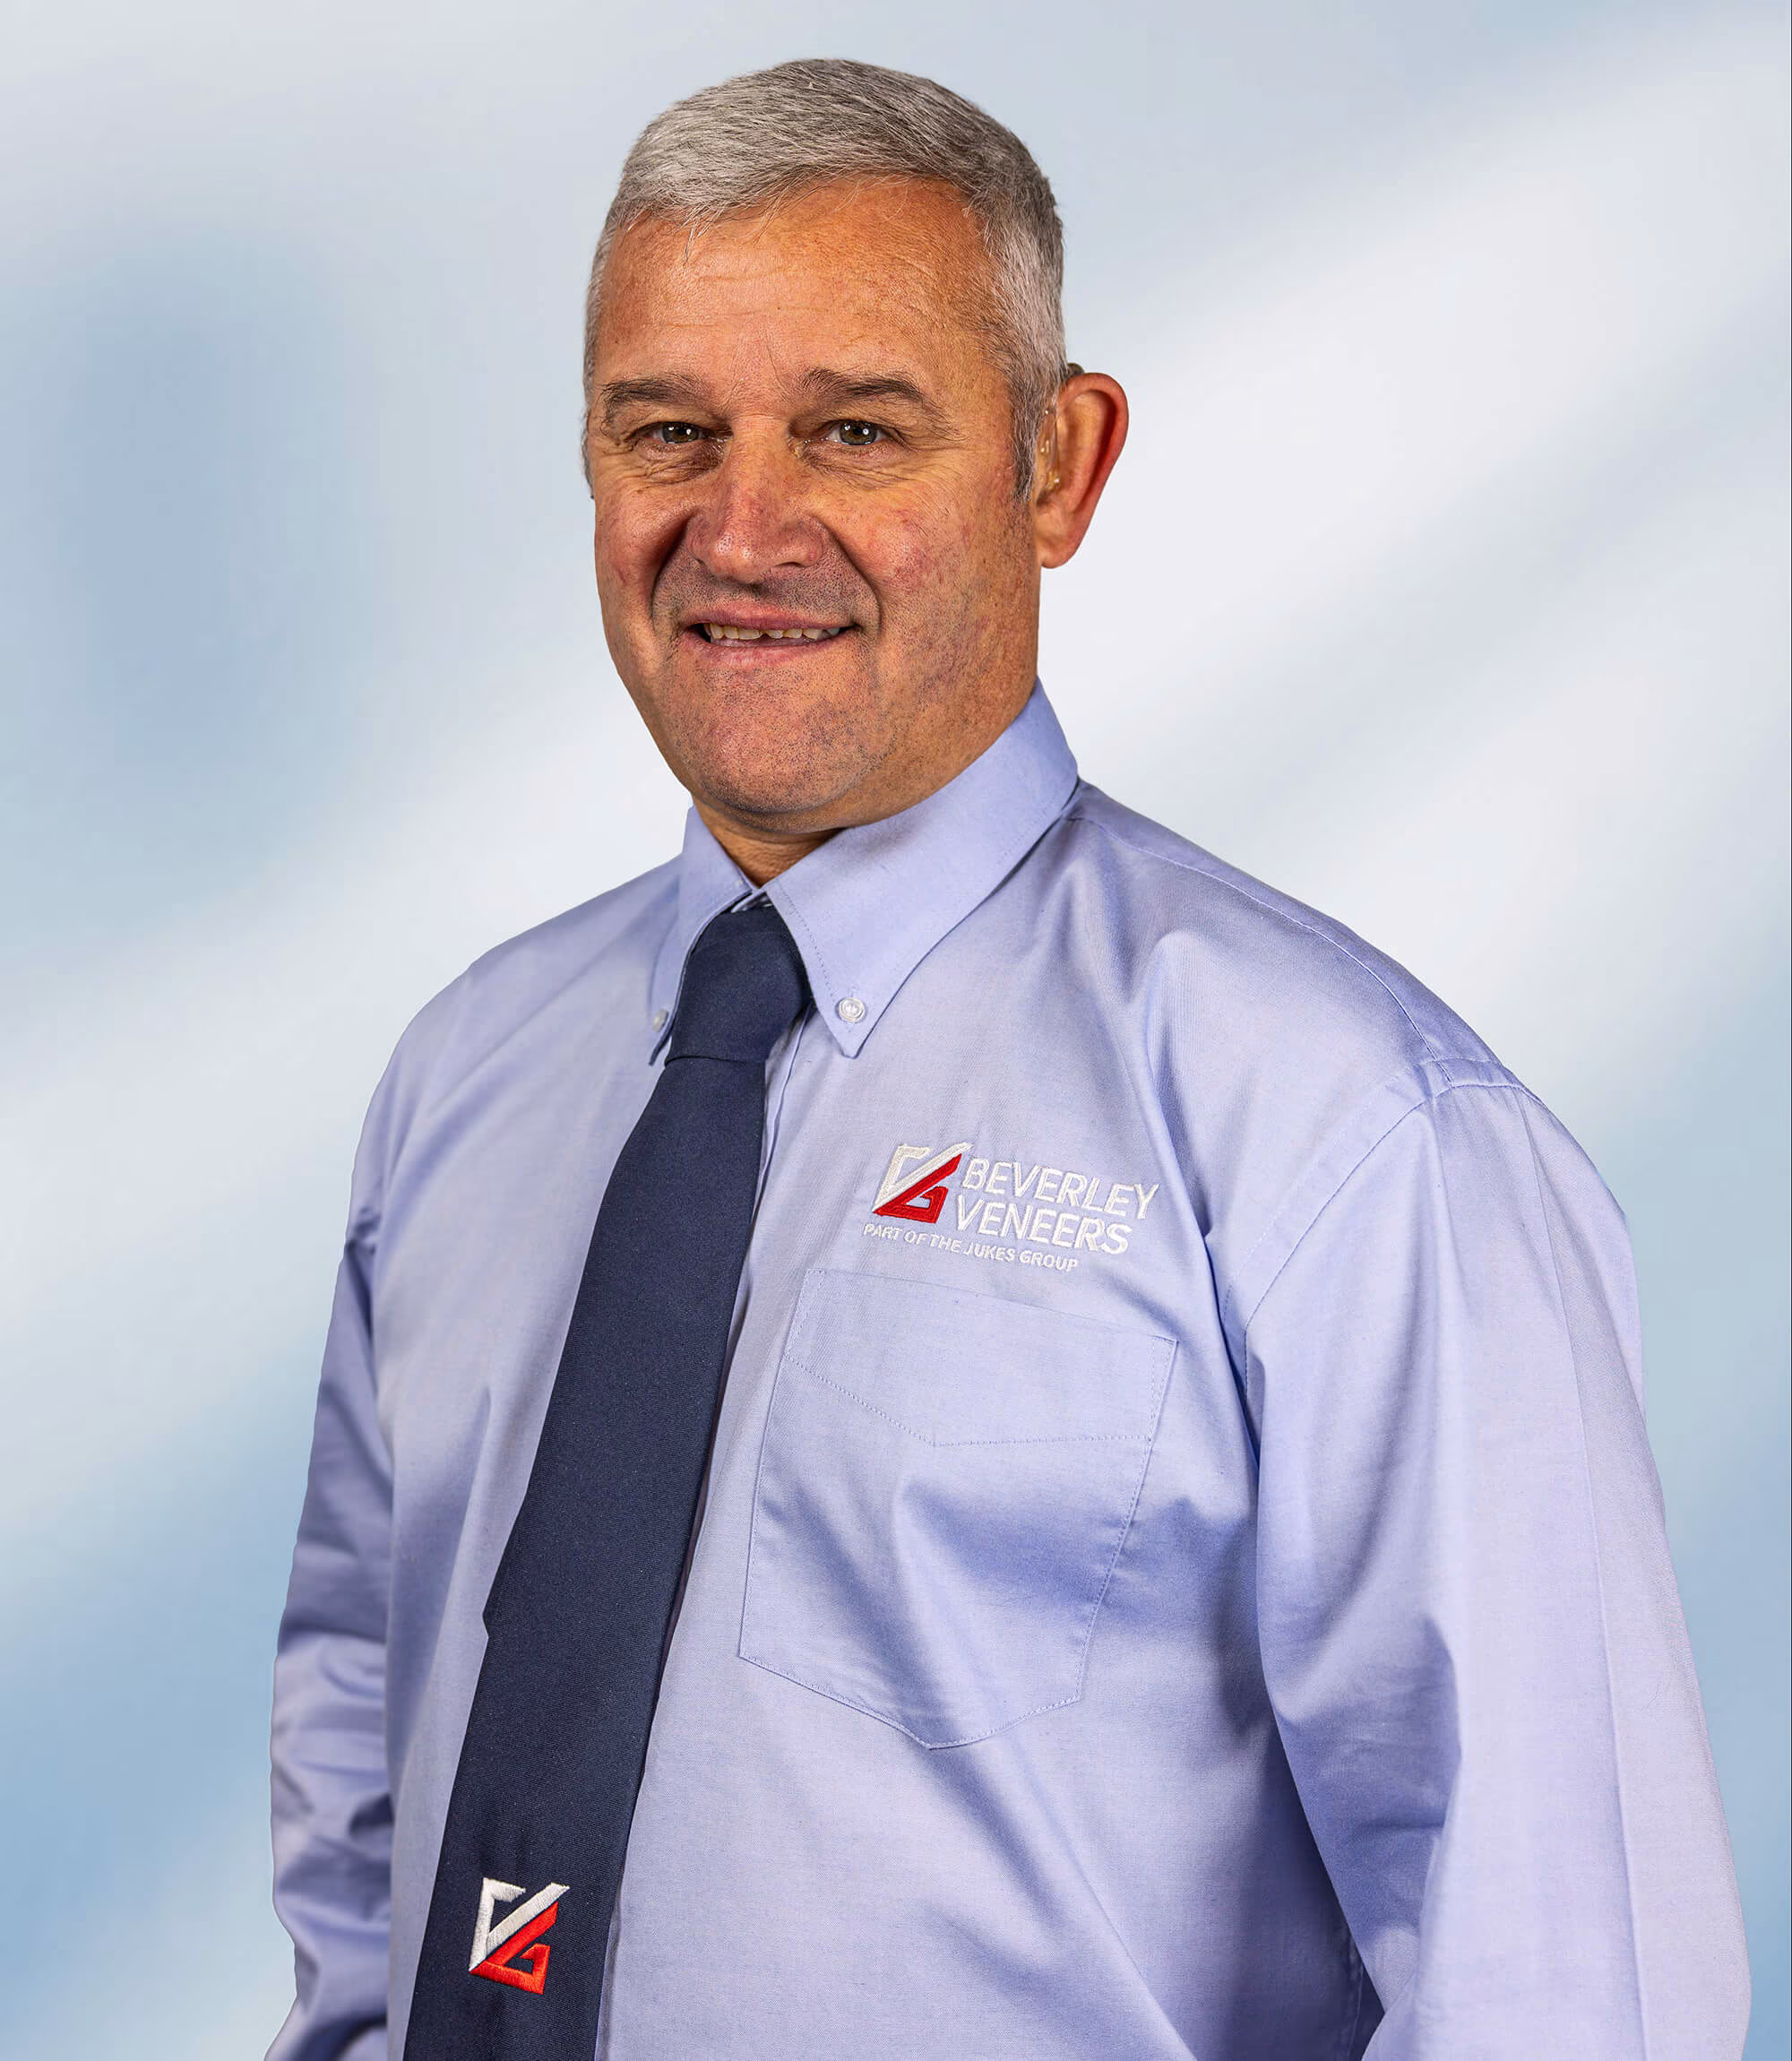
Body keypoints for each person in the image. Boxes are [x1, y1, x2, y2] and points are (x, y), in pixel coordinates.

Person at [267, 57, 1749, 2061]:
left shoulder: (1347, 1128)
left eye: (856, 429)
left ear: (1060, 465)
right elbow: (361, 1802)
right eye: (668, 430)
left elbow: (1566, 1987)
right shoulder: (468, 1077)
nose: (743, 528)